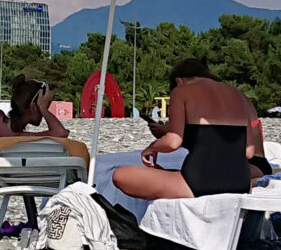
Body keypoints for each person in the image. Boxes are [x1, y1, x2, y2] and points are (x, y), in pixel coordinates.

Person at [113, 57, 265, 202]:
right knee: (172, 174)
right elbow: (248, 152)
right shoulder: (238, 96)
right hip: (241, 183)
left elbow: (173, 142)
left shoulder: (182, 91)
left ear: (179, 80)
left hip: (198, 182)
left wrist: (151, 148)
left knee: (120, 175)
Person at [0, 77, 82, 159]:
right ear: (34, 107)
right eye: (45, 106)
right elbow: (61, 133)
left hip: (1, 179)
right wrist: (44, 109)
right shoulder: (30, 139)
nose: (44, 114)